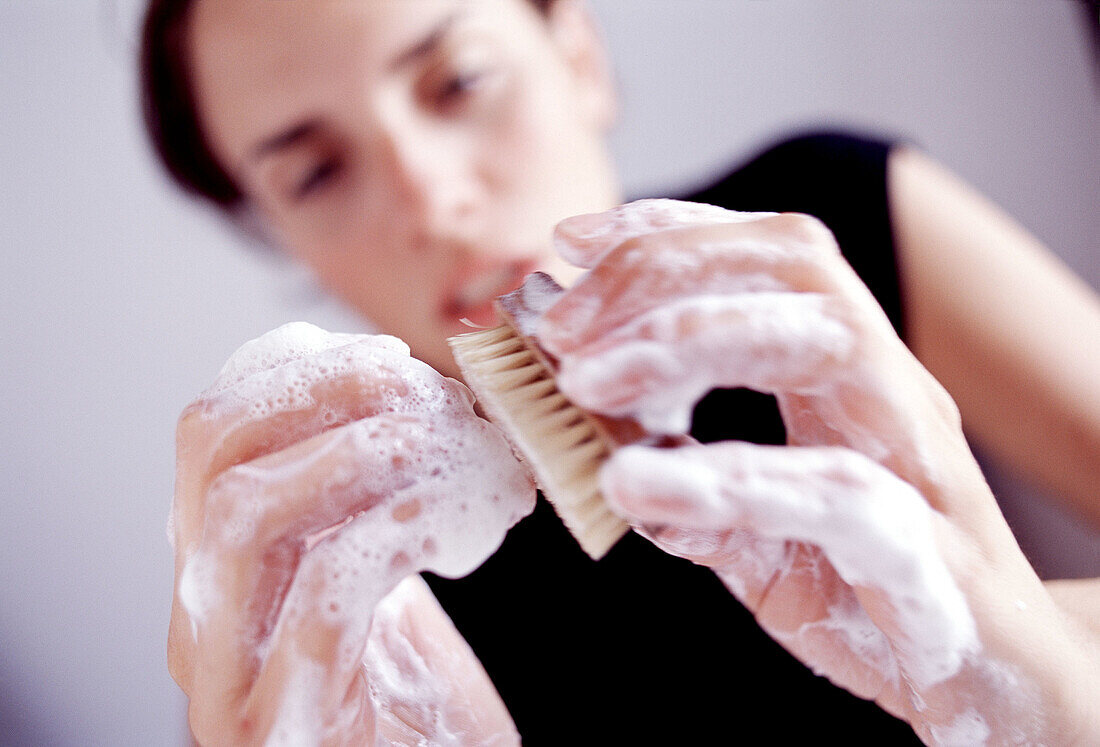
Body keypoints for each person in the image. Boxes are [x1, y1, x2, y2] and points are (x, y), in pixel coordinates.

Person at [141, 0, 1100, 743]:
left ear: (578, 57)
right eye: (315, 173)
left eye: (459, 81)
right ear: (286, 241)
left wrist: (1038, 665)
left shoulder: (828, 227)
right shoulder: (333, 598)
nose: (429, 198)